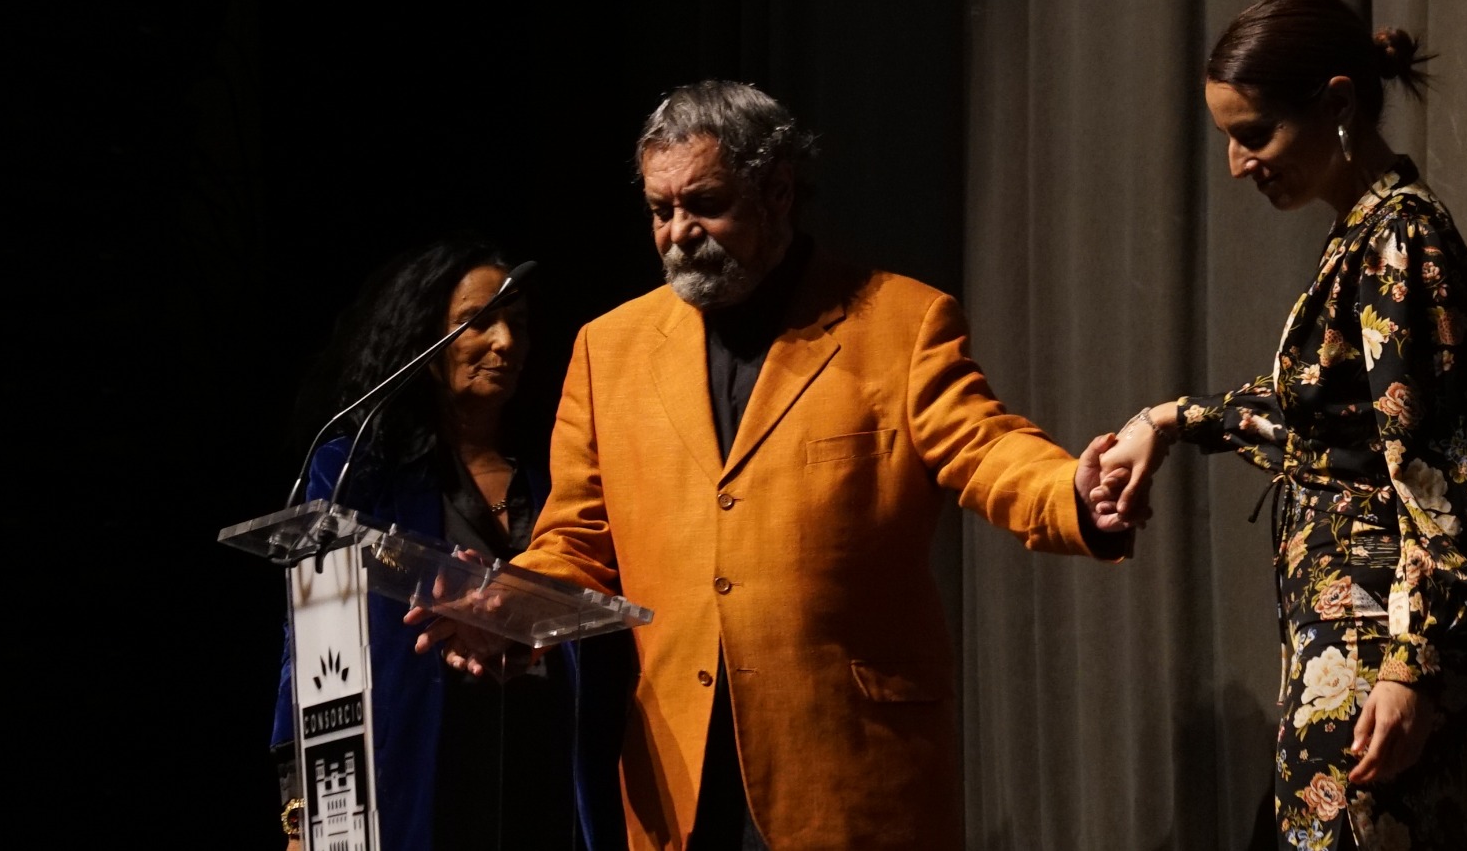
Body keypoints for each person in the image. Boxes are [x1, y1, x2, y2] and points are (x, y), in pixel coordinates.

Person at [410, 79, 1138, 850]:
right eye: (661, 211)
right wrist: (511, 604)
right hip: (681, 780)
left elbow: (985, 447)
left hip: (847, 766)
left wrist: (1073, 492)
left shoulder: (900, 321)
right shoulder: (608, 348)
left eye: (706, 203)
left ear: (778, 191)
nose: (679, 232)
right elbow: (578, 539)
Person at [1095, 0, 1467, 851]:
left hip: (1380, 649)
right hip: (1354, 644)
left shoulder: (1401, 240)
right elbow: (1322, 424)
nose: (1239, 164)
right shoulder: (1365, 235)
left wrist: (1410, 668)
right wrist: (1167, 421)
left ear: (1338, 104)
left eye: (1254, 135)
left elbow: (1442, 474)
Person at [269, 235, 623, 850]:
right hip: (413, 772)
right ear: (425, 344)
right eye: (477, 323)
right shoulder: (356, 471)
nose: (505, 343)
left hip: (547, 769)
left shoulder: (565, 470)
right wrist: (304, 812)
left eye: (517, 325)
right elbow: (309, 649)